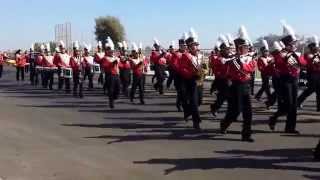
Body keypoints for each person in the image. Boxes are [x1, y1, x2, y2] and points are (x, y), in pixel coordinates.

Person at [269, 21, 307, 133]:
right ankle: (274, 118)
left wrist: (295, 55)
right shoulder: (281, 54)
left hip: (294, 79)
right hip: (285, 80)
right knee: (288, 105)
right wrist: (288, 55)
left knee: (294, 105)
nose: (295, 45)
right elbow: (279, 62)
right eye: (293, 44)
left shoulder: (296, 53)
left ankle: (290, 128)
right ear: (288, 44)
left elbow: (303, 64)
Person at [220, 25, 256, 142]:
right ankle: (225, 123)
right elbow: (240, 70)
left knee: (248, 112)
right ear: (239, 48)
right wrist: (239, 61)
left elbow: (251, 68)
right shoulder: (233, 61)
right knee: (236, 111)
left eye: (247, 47)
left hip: (246, 85)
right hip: (236, 86)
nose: (247, 49)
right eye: (245, 47)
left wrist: (245, 62)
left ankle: (246, 134)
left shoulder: (248, 59)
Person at [180, 28, 202, 130]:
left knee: (198, 100)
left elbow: (201, 67)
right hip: (188, 80)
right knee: (192, 101)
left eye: (197, 45)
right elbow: (182, 69)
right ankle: (196, 121)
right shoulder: (185, 56)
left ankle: (189, 112)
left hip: (197, 80)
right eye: (194, 45)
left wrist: (203, 71)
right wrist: (192, 73)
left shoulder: (199, 55)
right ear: (189, 46)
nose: (196, 47)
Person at [210, 35, 233, 117]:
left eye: (229, 49)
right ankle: (215, 107)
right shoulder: (218, 59)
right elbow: (218, 71)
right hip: (222, 80)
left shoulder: (230, 57)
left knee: (229, 97)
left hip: (230, 80)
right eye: (227, 49)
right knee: (223, 96)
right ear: (222, 50)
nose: (229, 51)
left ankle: (231, 113)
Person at [297, 35, 320, 111]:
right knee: (310, 90)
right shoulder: (308, 55)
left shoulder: (318, 54)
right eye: (315, 47)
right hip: (312, 74)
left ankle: (319, 107)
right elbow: (312, 62)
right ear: (311, 48)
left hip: (319, 74)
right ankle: (298, 101)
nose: (317, 48)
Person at [101, 37, 120, 109]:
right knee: (111, 89)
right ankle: (111, 102)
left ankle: (114, 97)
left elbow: (120, 64)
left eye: (112, 50)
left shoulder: (115, 57)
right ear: (107, 51)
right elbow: (105, 66)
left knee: (118, 88)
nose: (112, 52)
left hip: (116, 75)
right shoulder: (105, 58)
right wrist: (112, 63)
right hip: (110, 75)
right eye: (110, 50)